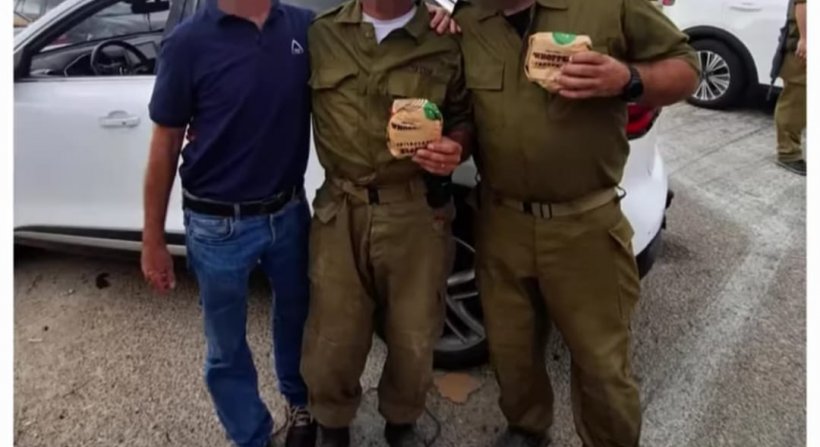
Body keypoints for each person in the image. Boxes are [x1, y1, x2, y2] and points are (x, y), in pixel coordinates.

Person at [141, 0, 456, 446]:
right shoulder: (188, 41)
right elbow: (166, 141)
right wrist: (152, 238)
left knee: (303, 324)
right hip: (218, 222)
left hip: (289, 212)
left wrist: (436, 10)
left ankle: (301, 406)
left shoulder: (303, 27)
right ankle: (251, 434)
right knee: (226, 346)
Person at [455, 0, 700, 446]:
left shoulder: (609, 5)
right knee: (511, 349)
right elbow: (465, 111)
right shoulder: (470, 18)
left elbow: (686, 69)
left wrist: (628, 79)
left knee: (601, 364)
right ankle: (527, 429)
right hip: (501, 221)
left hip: (583, 223)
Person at [299, 1, 472, 446]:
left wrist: (457, 145)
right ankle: (332, 423)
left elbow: (463, 115)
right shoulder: (320, 34)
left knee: (415, 334)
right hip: (341, 209)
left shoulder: (444, 38)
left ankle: (402, 421)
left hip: (416, 209)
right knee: (333, 334)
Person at [773, 0, 807, 176]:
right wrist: (805, 39)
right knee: (795, 102)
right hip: (802, 51)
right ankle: (788, 153)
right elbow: (803, 4)